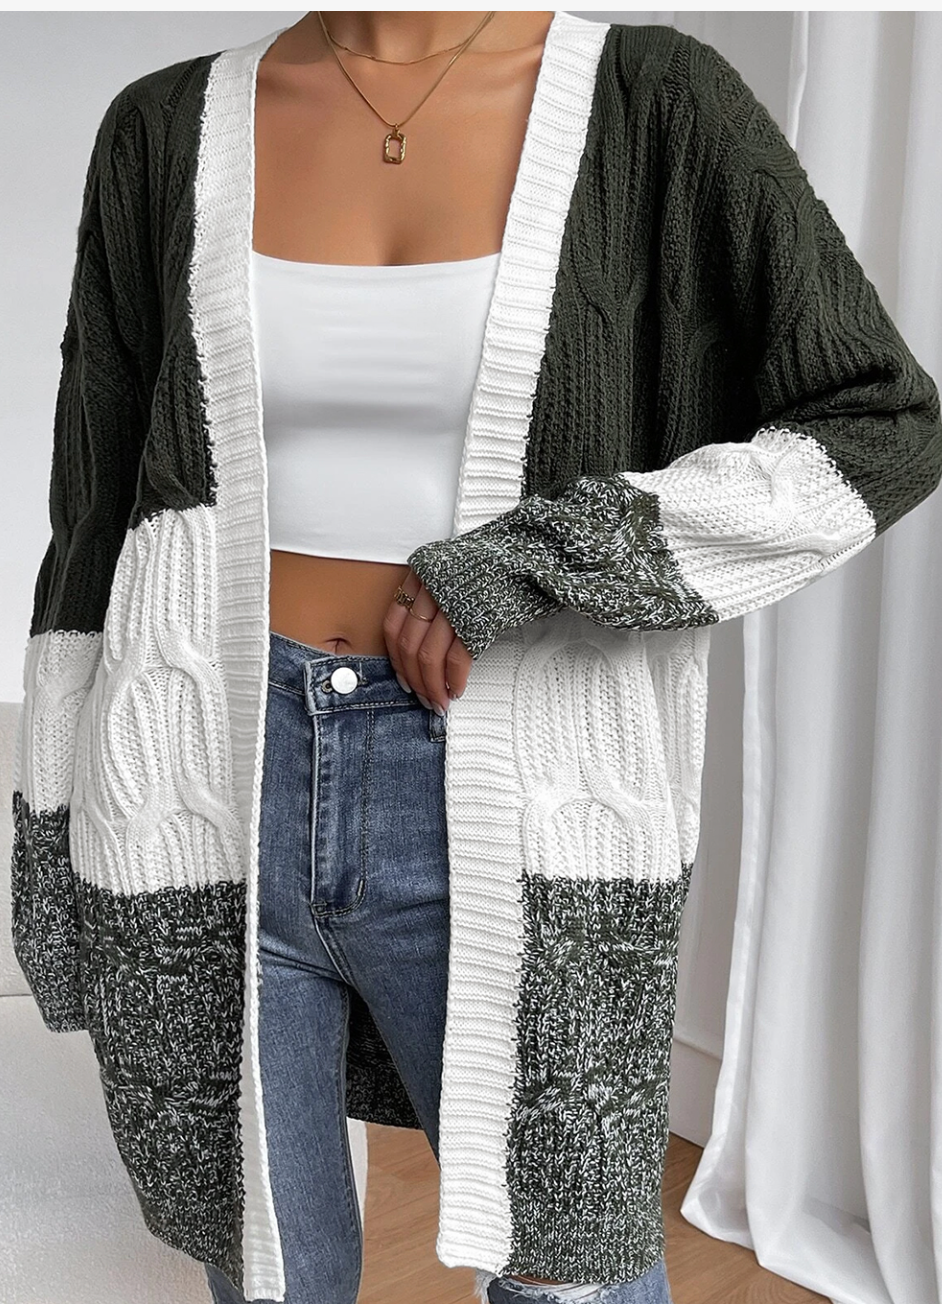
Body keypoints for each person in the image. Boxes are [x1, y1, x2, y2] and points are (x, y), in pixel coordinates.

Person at [10, 10, 941, 1304]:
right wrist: (50, 833)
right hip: (205, 777)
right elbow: (92, 506)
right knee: (261, 1259)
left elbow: (880, 421)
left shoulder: (652, 101)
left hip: (517, 792)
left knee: (570, 1270)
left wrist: (533, 560)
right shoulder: (165, 127)